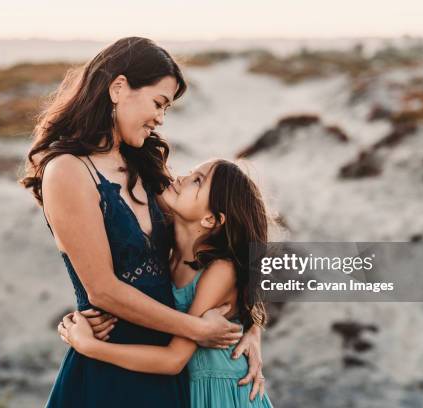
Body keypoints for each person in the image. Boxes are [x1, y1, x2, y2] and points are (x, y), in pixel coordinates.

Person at [19, 37, 265, 407]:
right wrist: (198, 330)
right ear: (118, 88)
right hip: (113, 367)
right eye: (158, 103)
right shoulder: (68, 171)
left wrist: (251, 327)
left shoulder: (143, 163)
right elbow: (102, 289)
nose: (160, 118)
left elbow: (230, 236)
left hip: (171, 369)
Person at [59, 159, 273, 407]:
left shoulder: (218, 271)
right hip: (186, 391)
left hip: (225, 392)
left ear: (211, 220)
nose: (181, 177)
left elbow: (174, 360)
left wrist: (88, 346)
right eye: (191, 172)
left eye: (197, 181)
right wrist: (83, 315)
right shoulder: (167, 252)